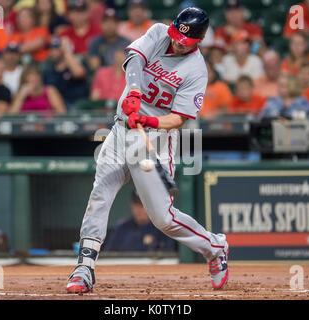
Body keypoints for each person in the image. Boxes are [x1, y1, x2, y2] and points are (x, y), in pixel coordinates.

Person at [65, 7, 229, 294]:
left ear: (199, 41)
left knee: (163, 218)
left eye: (186, 41)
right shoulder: (157, 32)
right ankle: (84, 267)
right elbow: (134, 60)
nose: (178, 42)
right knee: (100, 192)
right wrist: (134, 93)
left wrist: (150, 119)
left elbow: (178, 119)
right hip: (120, 129)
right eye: (177, 35)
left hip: (155, 139)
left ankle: (215, 247)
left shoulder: (196, 70)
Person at [104, 189, 176, 252]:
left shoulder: (162, 228)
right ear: (132, 205)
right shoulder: (121, 227)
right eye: (137, 204)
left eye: (143, 205)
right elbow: (108, 255)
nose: (140, 209)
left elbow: (169, 257)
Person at [41, 37, 88, 108]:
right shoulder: (48, 72)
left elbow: (79, 73)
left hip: (77, 107)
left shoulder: (76, 65)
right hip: (56, 111)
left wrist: (67, 51)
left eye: (57, 48)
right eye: (51, 48)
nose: (53, 51)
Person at [87, 8, 131, 73]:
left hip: (122, 78)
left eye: (113, 22)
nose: (110, 25)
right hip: (102, 79)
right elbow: (94, 67)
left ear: (118, 24)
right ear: (101, 24)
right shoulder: (95, 42)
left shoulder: (126, 43)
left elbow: (129, 67)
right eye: (106, 21)